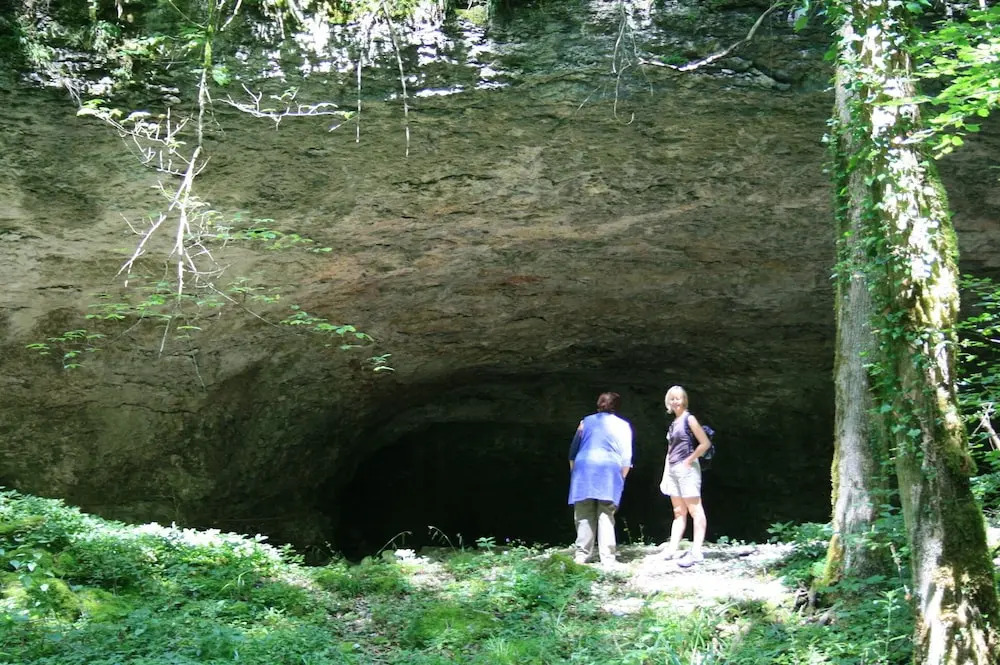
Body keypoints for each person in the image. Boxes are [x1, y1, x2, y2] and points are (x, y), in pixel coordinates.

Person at [567, 392, 633, 565]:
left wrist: (574, 473)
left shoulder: (585, 422)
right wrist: (622, 478)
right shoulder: (623, 426)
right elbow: (626, 456)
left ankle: (582, 555)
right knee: (606, 513)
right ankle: (607, 557)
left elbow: (573, 450)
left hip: (584, 468)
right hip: (609, 470)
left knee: (583, 513)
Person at [658, 385, 712, 568]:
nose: (675, 402)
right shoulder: (673, 423)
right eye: (672, 398)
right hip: (673, 470)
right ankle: (671, 549)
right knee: (678, 511)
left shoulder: (689, 419)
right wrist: (666, 474)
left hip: (687, 470)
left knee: (695, 510)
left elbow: (705, 443)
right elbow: (669, 451)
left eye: (678, 398)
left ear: (684, 400)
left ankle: (696, 551)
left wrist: (689, 460)